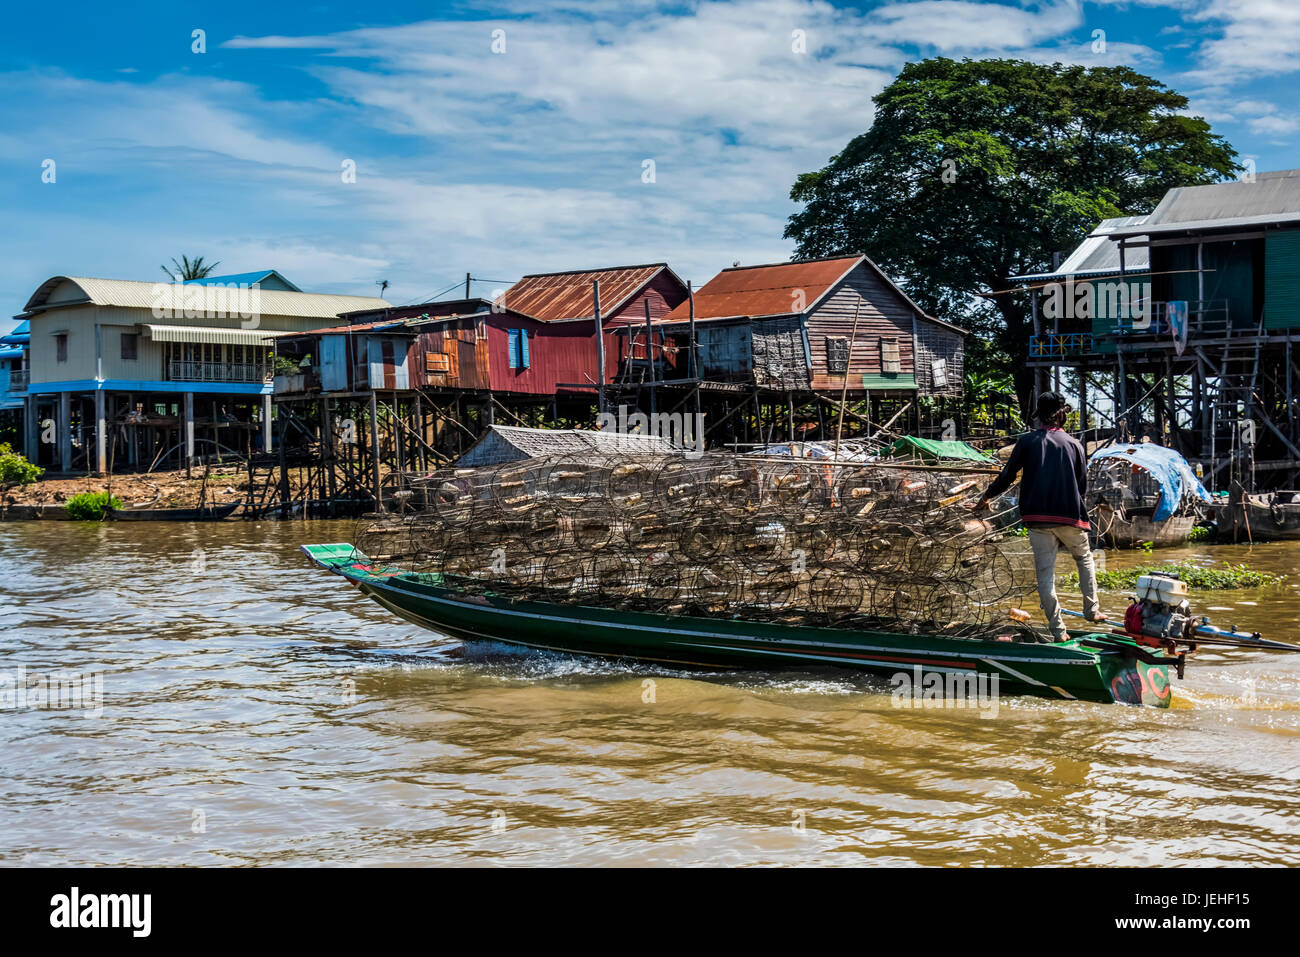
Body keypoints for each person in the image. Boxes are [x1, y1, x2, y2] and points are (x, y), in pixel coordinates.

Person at [972, 391, 1104, 641]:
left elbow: (1007, 476)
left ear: (1039, 417)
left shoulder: (1027, 442)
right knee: (1084, 559)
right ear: (1062, 414)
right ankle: (1092, 610)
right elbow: (1082, 488)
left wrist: (986, 497)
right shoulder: (1075, 445)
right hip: (1070, 516)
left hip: (1037, 519)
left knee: (1046, 575)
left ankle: (1058, 631)